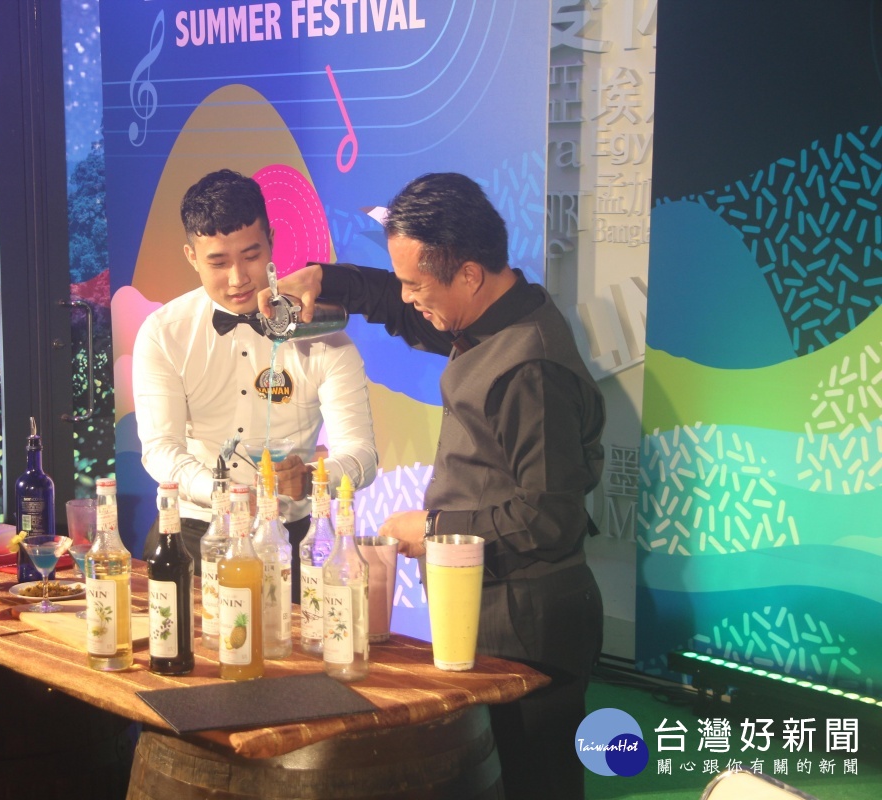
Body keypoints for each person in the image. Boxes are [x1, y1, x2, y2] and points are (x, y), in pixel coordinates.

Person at [260, 172, 605, 800]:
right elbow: (401, 307)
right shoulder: (491, 311)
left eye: (417, 284)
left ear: (468, 274)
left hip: (528, 618)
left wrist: (436, 529)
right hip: (487, 598)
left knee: (536, 781)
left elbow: (548, 517)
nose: (408, 297)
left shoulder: (530, 366)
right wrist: (324, 280)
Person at [133, 169, 377, 598]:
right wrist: (221, 492)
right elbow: (160, 449)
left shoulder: (323, 334)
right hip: (192, 532)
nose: (238, 278)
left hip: (291, 539)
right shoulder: (164, 333)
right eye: (218, 262)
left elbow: (363, 455)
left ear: (272, 242)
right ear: (191, 257)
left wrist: (314, 479)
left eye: (250, 255)